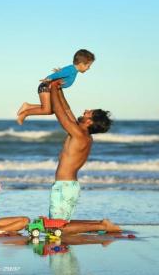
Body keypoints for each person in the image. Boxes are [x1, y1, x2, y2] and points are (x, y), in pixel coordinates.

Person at [47, 79, 122, 235]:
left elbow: (60, 113)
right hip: (68, 186)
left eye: (89, 112)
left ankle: (101, 227)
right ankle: (102, 224)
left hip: (65, 186)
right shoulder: (82, 133)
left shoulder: (79, 134)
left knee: (56, 228)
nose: (86, 110)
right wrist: (59, 89)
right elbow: (66, 109)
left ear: (89, 121)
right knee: (60, 224)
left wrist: (53, 88)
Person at [16, 49, 95, 125]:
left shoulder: (72, 70)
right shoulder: (71, 70)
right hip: (46, 87)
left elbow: (61, 72)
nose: (89, 68)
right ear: (81, 64)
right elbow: (58, 74)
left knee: (51, 110)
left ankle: (28, 106)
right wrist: (49, 78)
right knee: (46, 110)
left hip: (49, 88)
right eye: (88, 66)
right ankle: (24, 114)